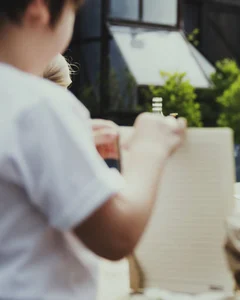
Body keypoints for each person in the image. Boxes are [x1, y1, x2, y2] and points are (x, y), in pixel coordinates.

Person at [0, 1, 186, 298]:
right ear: (40, 11)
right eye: (74, 12)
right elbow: (117, 236)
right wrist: (149, 148)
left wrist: (73, 141)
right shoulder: (40, 105)